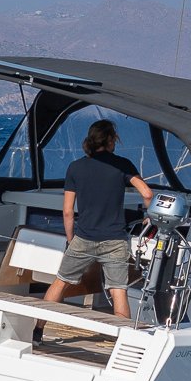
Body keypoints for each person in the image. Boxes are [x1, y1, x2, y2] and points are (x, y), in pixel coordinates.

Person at [47, 118, 153, 321]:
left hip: (84, 237)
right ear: (111, 140)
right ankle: (122, 335)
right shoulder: (122, 165)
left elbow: (68, 212)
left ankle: (38, 329)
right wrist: (148, 216)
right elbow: (147, 194)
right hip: (115, 240)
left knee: (61, 282)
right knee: (118, 290)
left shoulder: (75, 167)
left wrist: (70, 241)